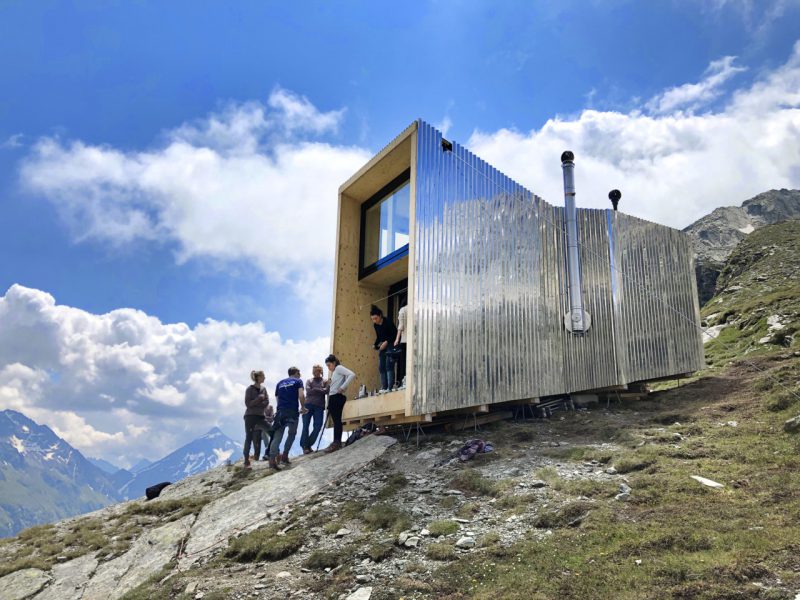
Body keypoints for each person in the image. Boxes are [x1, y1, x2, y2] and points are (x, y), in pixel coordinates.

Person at [268, 367, 306, 469]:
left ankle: (272, 461)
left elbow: (277, 398)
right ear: (296, 373)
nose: (300, 374)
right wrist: (303, 407)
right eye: (299, 372)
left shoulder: (279, 383)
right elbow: (301, 395)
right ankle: (285, 455)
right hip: (292, 411)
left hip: (281, 412)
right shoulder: (298, 381)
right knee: (292, 433)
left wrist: (281, 409)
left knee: (278, 435)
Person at [324, 354, 356, 453]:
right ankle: (336, 441)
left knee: (337, 420)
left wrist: (342, 387)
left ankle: (336, 442)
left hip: (336, 397)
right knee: (336, 420)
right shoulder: (336, 371)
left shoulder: (338, 368)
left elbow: (352, 374)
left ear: (334, 363)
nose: (329, 368)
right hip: (333, 397)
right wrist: (331, 383)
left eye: (329, 365)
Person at [243, 370, 270, 468]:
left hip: (261, 416)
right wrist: (259, 399)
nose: (265, 378)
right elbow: (248, 404)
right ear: (258, 377)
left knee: (272, 431)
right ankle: (246, 461)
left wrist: (259, 403)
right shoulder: (249, 389)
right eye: (263, 376)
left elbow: (267, 401)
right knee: (249, 438)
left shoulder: (264, 389)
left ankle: (269, 454)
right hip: (250, 416)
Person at [300, 364, 329, 454]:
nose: (315, 372)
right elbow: (308, 391)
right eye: (314, 371)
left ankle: (308, 444)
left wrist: (315, 390)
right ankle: (305, 447)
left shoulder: (325, 381)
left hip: (319, 406)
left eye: (317, 371)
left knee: (318, 426)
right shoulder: (309, 380)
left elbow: (326, 391)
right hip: (307, 405)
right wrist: (320, 390)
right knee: (305, 426)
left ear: (320, 371)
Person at [370, 305, 397, 391]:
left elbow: (395, 334)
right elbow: (378, 337)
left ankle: (390, 387)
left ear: (380, 315)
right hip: (383, 346)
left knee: (389, 365)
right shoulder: (375, 325)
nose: (374, 321)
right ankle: (384, 387)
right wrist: (375, 344)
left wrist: (386, 342)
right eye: (372, 319)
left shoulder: (388, 321)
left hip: (391, 344)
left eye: (375, 318)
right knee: (381, 367)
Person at [393, 299, 407, 388]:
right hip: (414, 340)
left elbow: (400, 326)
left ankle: (404, 381)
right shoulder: (415, 308)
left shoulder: (403, 310)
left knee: (404, 362)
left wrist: (397, 339)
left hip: (405, 340)